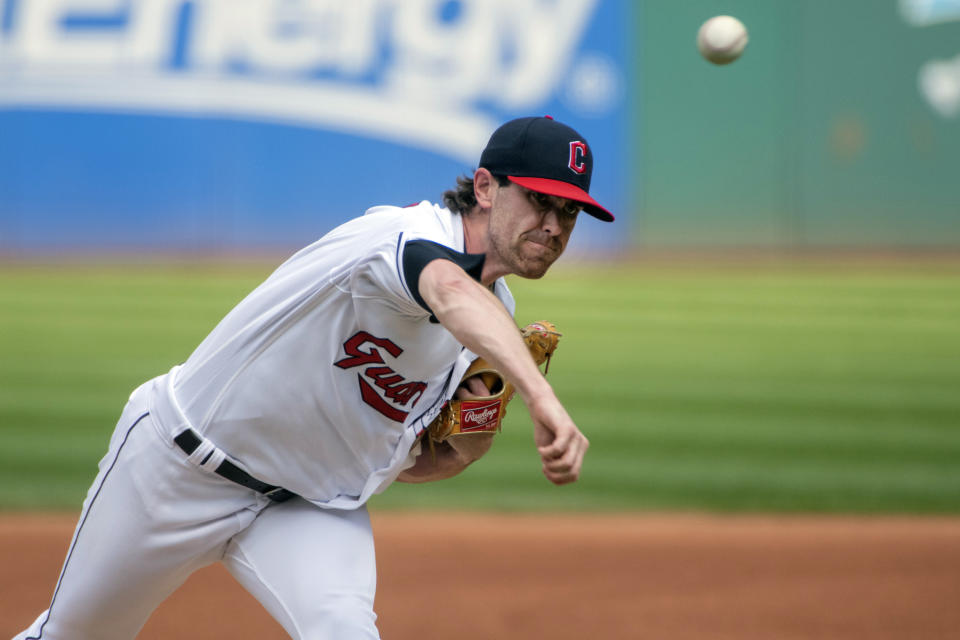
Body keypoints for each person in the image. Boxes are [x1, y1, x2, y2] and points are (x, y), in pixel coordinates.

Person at [15, 115, 614, 640]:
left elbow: (414, 454)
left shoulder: (496, 317)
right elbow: (449, 290)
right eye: (540, 200)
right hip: (178, 468)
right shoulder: (406, 237)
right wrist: (542, 397)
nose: (556, 226)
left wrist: (462, 447)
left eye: (570, 211)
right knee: (72, 634)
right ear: (485, 187)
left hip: (305, 507)